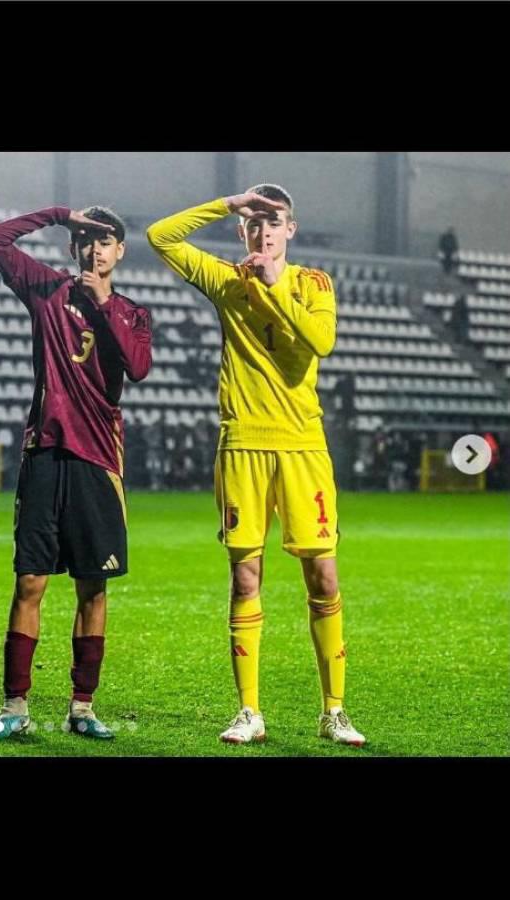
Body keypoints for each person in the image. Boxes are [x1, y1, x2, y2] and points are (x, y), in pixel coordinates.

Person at [147, 184, 365, 747]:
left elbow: (321, 341)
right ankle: (249, 711)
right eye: (255, 222)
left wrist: (274, 287)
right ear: (244, 230)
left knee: (324, 575)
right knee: (245, 577)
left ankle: (334, 711)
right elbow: (159, 237)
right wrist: (227, 203)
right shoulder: (227, 281)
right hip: (242, 444)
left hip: (303, 447)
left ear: (291, 230)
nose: (264, 231)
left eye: (275, 221)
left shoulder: (313, 283)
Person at [0, 203, 153, 742]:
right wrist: (57, 214)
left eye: (105, 240)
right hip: (46, 454)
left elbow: (138, 368)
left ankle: (82, 707)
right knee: (29, 581)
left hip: (98, 460)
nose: (95, 249)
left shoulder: (132, 313)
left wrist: (103, 302)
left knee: (92, 587)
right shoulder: (47, 290)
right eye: (86, 239)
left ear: (120, 251)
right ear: (73, 247)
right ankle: (14, 705)